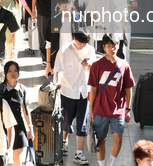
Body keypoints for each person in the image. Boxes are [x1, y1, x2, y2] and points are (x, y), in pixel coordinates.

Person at [88, 33, 135, 166]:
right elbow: (93, 89)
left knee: (118, 138)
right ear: (104, 47)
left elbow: (128, 88)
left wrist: (127, 108)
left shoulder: (124, 65)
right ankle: (102, 164)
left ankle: (112, 162)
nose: (111, 48)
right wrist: (91, 110)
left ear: (118, 46)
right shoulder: (97, 65)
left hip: (118, 109)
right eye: (108, 46)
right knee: (101, 140)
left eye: (113, 45)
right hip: (100, 109)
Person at [53, 29, 96, 165]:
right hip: (68, 90)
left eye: (84, 43)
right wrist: (58, 81)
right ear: (74, 38)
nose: (82, 46)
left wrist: (89, 65)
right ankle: (64, 142)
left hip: (84, 91)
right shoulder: (65, 50)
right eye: (79, 43)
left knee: (82, 124)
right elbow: (58, 68)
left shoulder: (90, 50)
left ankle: (79, 153)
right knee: (67, 120)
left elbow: (94, 69)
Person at [0, 62, 33, 166]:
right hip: (3, 128)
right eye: (10, 71)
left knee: (17, 157)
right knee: (4, 157)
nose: (13, 73)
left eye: (15, 71)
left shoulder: (22, 89)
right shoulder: (0, 90)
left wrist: (31, 129)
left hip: (19, 127)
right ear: (5, 73)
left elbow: (26, 111)